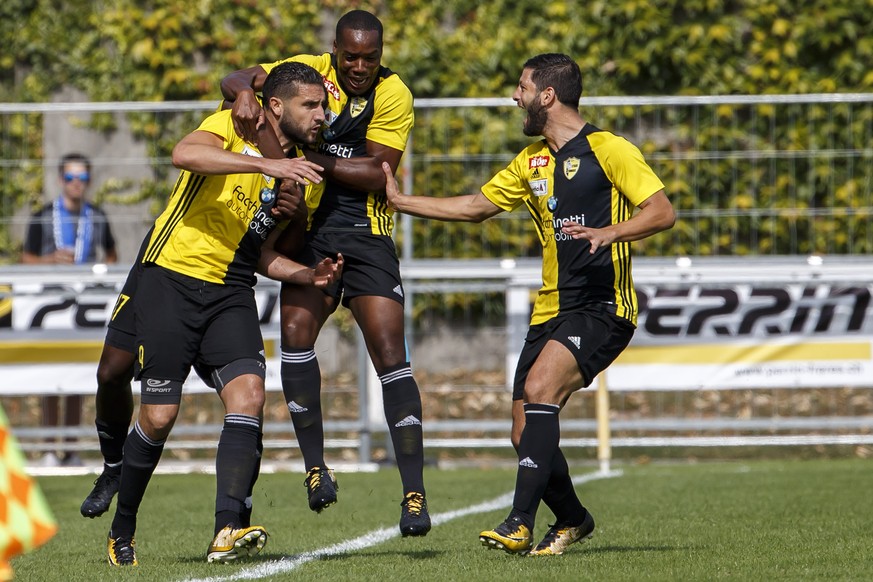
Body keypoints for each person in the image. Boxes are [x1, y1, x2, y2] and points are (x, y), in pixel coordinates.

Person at [381, 53, 675, 556]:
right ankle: (574, 518)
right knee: (523, 432)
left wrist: (610, 233)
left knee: (541, 388)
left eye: (521, 88)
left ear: (547, 95)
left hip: (603, 306)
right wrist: (402, 202)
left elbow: (662, 211)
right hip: (549, 311)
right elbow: (476, 207)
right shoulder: (532, 161)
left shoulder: (610, 149)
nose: (514, 97)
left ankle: (518, 522)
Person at [106, 61, 343, 567]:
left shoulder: (305, 176)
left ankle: (226, 530)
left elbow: (261, 252)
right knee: (160, 415)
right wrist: (265, 165)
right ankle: (122, 525)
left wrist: (309, 275)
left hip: (232, 292)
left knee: (250, 396)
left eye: (323, 105)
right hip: (171, 279)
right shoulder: (235, 124)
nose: (322, 114)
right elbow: (183, 153)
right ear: (276, 106)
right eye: (312, 104)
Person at [220, 9, 430, 536]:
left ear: (382, 54)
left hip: (366, 234)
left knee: (389, 350)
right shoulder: (309, 71)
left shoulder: (393, 93)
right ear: (334, 49)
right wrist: (244, 91)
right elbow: (238, 78)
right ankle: (315, 469)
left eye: (370, 57)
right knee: (293, 333)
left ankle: (414, 495)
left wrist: (312, 154)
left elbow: (377, 174)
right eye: (350, 56)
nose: (359, 66)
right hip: (306, 231)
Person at [23, 153, 119, 468]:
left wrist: (100, 271)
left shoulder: (97, 215)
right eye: (69, 178)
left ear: (88, 182)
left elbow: (114, 256)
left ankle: (72, 447)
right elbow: (26, 260)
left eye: (81, 178)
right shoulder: (41, 216)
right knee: (52, 378)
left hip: (85, 305)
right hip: (50, 306)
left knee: (78, 378)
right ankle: (50, 446)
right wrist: (50, 261)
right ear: (60, 180)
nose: (76, 184)